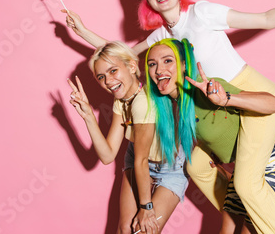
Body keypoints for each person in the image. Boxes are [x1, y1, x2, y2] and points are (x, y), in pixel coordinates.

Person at [62, 0, 275, 233]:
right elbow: (121, 58)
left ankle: (257, 208)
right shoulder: (161, 38)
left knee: (248, 186)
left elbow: (266, 19)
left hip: (249, 95)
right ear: (146, 0)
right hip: (215, 103)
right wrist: (82, 31)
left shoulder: (202, 13)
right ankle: (240, 214)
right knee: (196, 165)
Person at [145, 38, 275, 233]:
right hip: (242, 169)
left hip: (272, 161)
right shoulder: (177, 107)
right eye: (152, 64)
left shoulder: (210, 89)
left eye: (168, 61)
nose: (158, 70)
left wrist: (227, 99)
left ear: (184, 65)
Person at [67, 41, 188, 234]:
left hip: (169, 167)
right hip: (138, 161)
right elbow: (107, 156)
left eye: (113, 71)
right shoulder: (121, 101)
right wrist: (88, 115)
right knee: (125, 229)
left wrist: (146, 208)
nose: (108, 81)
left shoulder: (143, 103)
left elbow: (141, 160)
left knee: (145, 231)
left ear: (132, 66)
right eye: (101, 77)